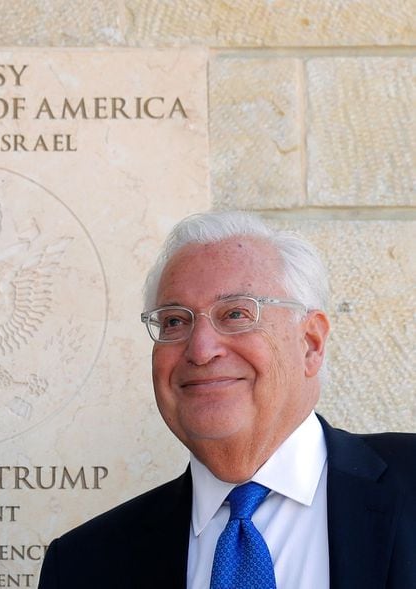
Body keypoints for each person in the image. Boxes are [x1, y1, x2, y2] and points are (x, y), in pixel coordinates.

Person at [38, 211, 415, 588]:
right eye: (174, 321)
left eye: (236, 313)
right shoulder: (81, 566)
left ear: (311, 343)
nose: (200, 350)